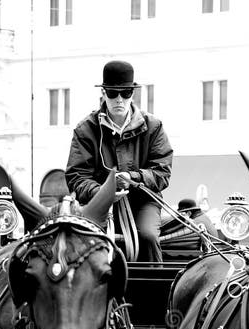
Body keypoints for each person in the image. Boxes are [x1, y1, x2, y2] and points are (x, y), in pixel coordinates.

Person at [66, 59, 173, 262]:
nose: (119, 99)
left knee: (148, 237)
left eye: (126, 93)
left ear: (132, 94)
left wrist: (132, 177)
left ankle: (155, 290)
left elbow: (162, 172)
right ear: (103, 93)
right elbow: (76, 176)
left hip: (143, 201)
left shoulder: (154, 126)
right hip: (97, 203)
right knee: (89, 243)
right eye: (113, 93)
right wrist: (102, 193)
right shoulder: (85, 130)